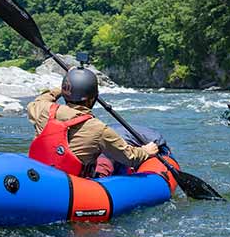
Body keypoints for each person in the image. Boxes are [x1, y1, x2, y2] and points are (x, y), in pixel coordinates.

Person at [27, 68, 159, 177]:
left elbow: (40, 100)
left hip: (39, 179)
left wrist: (64, 88)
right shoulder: (99, 129)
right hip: (74, 187)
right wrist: (146, 151)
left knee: (103, 157)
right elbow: (130, 158)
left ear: (66, 91)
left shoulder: (42, 111)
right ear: (92, 99)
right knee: (106, 160)